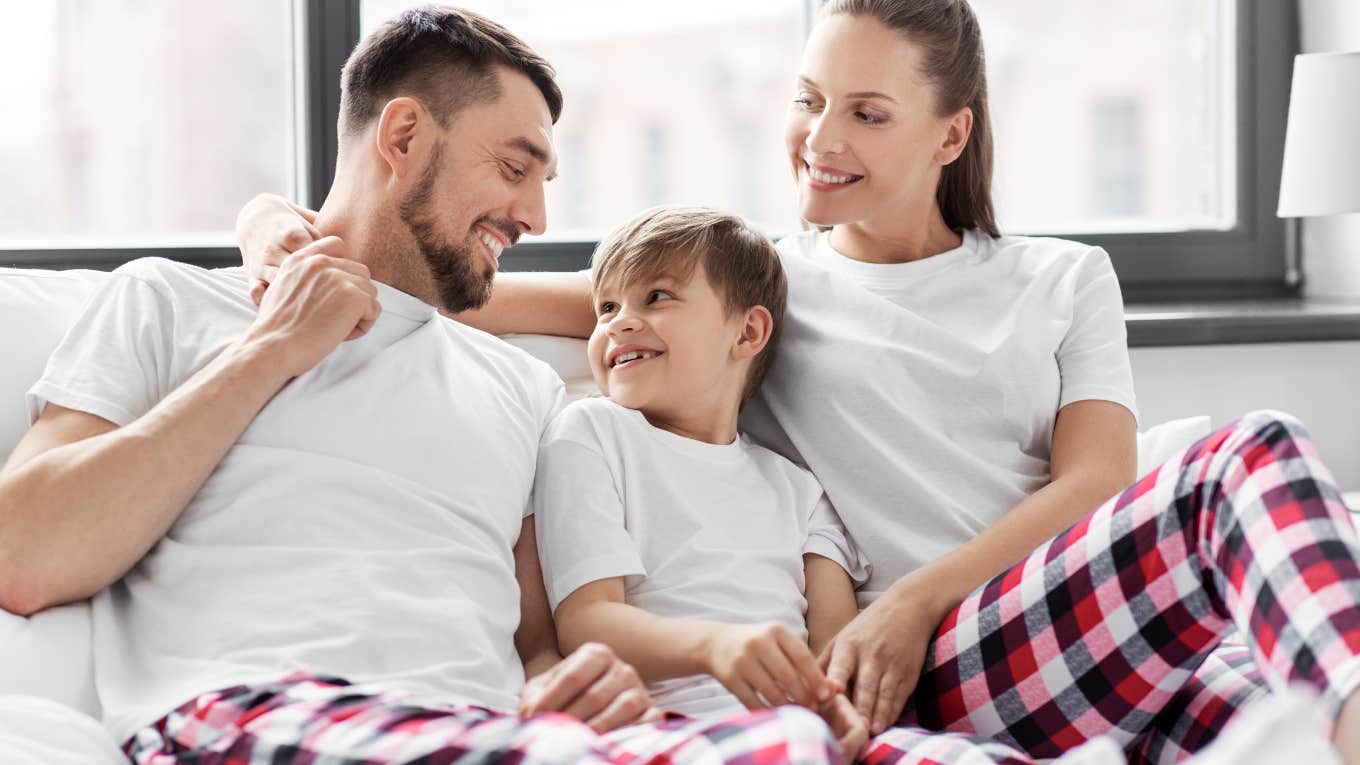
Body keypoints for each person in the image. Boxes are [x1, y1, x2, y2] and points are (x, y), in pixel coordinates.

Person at [235, 2, 1360, 764]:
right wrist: (270, 224)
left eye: (867, 115)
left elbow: (1100, 482)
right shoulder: (756, 290)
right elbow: (475, 284)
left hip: (1066, 629)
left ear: (949, 133)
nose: (819, 138)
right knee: (1247, 451)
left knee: (1277, 718)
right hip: (914, 670)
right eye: (810, 101)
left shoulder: (1061, 277)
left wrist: (916, 602)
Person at [0, 7, 843, 764]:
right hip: (252, 706)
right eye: (516, 168)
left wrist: (565, 691)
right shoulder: (171, 302)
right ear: (401, 137)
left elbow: (538, 643)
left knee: (788, 745)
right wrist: (273, 348)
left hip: (482, 728)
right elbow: (24, 554)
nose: (536, 218)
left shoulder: (522, 389)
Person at [530, 205, 869, 762]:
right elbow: (587, 622)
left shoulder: (799, 489)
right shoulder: (591, 431)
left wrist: (838, 709)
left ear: (749, 331)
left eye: (656, 297)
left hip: (795, 728)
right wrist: (715, 647)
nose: (618, 322)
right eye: (606, 307)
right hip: (668, 725)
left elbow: (834, 645)